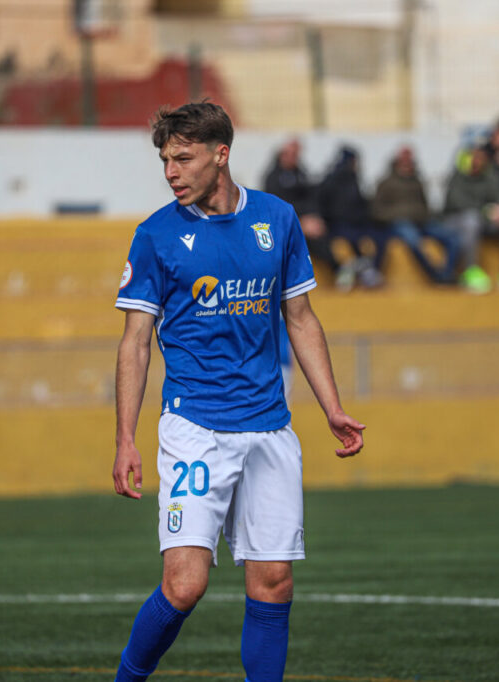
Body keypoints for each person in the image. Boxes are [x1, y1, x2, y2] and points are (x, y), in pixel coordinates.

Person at [112, 102, 365, 681]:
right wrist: (125, 438)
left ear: (221, 154)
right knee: (184, 584)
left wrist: (332, 408)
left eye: (183, 157)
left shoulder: (276, 218)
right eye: (165, 160)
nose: (171, 171)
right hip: (195, 428)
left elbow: (300, 318)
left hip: (269, 428)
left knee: (273, 582)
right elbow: (134, 343)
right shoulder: (155, 235)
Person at [262, 139, 348, 286]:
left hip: (306, 221)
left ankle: (342, 270)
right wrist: (300, 221)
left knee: (322, 234)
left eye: (296, 154)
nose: (293, 158)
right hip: (284, 224)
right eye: (290, 154)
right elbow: (276, 205)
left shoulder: (301, 174)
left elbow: (311, 198)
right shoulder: (273, 178)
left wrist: (313, 217)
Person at [371, 146, 461, 285]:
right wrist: (398, 215)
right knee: (414, 241)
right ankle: (434, 274)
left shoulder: (417, 182)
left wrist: (423, 216)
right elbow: (377, 211)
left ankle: (446, 274)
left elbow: (425, 205)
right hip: (400, 223)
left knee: (453, 238)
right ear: (397, 161)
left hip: (422, 222)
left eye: (410, 160)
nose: (407, 163)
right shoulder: (386, 183)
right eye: (404, 160)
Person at [443, 146, 499, 294]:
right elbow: (457, 203)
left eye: (480, 157)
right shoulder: (456, 177)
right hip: (457, 221)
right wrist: (488, 212)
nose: (477, 161)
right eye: (473, 157)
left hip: (485, 221)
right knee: (471, 221)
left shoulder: (492, 176)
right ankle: (471, 270)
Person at [317, 146, 385, 290]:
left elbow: (361, 204)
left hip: (357, 224)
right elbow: (327, 206)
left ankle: (369, 270)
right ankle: (355, 273)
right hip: (339, 224)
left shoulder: (353, 179)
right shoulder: (333, 180)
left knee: (380, 239)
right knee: (353, 242)